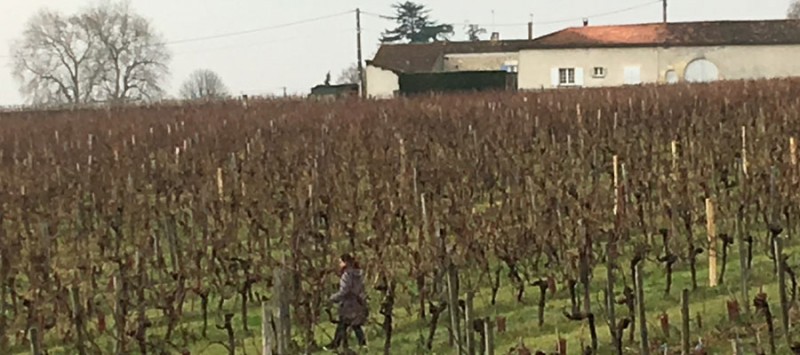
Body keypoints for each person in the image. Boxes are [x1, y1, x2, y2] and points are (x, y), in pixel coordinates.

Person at [324, 253, 368, 351]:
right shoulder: (359, 273)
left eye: (340, 262)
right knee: (355, 324)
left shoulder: (346, 275)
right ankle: (363, 344)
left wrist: (332, 298)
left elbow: (344, 291)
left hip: (349, 304)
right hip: (358, 302)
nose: (339, 264)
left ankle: (336, 344)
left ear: (345, 263)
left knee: (343, 323)